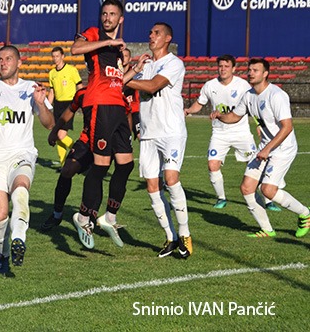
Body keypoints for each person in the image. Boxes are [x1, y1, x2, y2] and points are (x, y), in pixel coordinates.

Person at [0, 45, 54, 275]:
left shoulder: (31, 89)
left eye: (7, 59)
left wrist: (42, 103)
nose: (2, 63)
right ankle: (4, 254)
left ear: (19, 62)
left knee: (21, 190)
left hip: (21, 154)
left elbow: (49, 123)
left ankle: (19, 238)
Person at [211, 58, 309, 238]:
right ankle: (267, 230)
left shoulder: (276, 95)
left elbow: (287, 127)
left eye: (255, 70)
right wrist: (220, 115)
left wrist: (267, 149)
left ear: (265, 74)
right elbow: (234, 116)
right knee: (247, 187)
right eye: (249, 70)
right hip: (265, 147)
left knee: (268, 190)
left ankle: (305, 214)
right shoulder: (249, 95)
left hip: (282, 148)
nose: (250, 73)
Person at [69, 0, 135, 250]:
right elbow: (75, 49)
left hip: (118, 106)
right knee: (101, 164)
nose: (107, 17)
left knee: (126, 165)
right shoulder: (94, 34)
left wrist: (135, 70)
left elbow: (117, 80)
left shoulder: (118, 50)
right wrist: (108, 41)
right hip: (99, 105)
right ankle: (84, 217)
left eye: (112, 14)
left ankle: (109, 216)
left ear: (120, 19)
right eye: (104, 13)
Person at [124, 22, 193, 258]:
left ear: (167, 38)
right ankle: (170, 237)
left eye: (156, 33)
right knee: (152, 187)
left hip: (171, 131)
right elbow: (125, 87)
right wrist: (131, 70)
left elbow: (152, 87)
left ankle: (185, 235)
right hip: (149, 134)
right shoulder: (147, 65)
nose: (151, 36)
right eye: (150, 32)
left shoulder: (174, 63)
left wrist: (122, 79)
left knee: (171, 180)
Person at [184, 54, 281, 211]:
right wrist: (188, 111)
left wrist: (258, 125)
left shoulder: (243, 86)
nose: (223, 69)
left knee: (257, 165)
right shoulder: (210, 86)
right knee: (212, 164)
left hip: (241, 132)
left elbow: (253, 105)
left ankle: (267, 200)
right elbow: (199, 104)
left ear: (234, 68)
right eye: (220, 66)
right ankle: (221, 198)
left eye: (226, 66)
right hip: (219, 133)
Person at [40, 87, 93, 231]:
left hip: (107, 141)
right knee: (67, 170)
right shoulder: (83, 93)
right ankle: (57, 215)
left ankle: (91, 217)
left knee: (95, 176)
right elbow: (68, 113)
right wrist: (54, 131)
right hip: (87, 140)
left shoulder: (113, 91)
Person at [47, 46, 83, 165]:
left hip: (69, 105)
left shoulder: (71, 70)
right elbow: (52, 91)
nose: (55, 59)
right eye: (53, 56)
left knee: (61, 135)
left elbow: (79, 86)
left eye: (57, 56)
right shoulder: (52, 73)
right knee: (58, 136)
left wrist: (82, 101)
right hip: (57, 105)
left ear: (62, 56)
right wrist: (47, 106)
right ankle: (63, 164)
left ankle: (82, 154)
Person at [121, 48, 141, 141]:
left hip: (133, 111)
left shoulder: (135, 74)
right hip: (119, 111)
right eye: (121, 56)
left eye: (126, 56)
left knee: (140, 135)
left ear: (130, 59)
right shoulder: (114, 73)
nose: (123, 58)